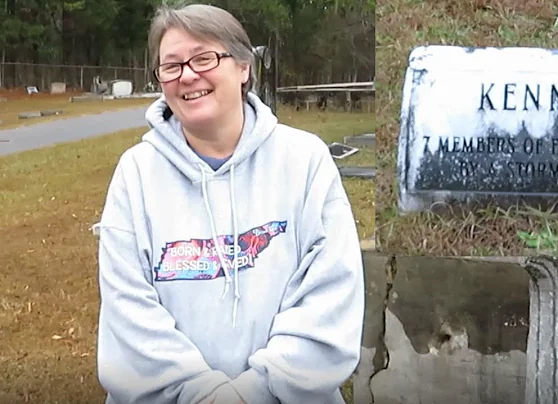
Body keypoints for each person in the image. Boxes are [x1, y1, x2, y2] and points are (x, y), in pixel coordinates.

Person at [94, 3, 365, 404]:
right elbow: (129, 316)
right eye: (171, 66)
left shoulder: (305, 161)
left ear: (243, 67)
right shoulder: (135, 174)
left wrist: (257, 392)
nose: (188, 75)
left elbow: (330, 297)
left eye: (204, 58)